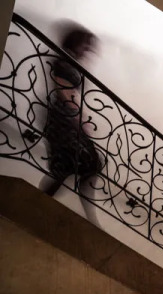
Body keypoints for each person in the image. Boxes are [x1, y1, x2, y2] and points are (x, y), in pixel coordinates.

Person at [38, 23, 102, 225]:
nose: (88, 50)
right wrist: (79, 119)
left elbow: (70, 94)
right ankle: (40, 201)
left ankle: (42, 201)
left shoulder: (70, 61)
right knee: (79, 163)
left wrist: (80, 117)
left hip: (65, 118)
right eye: (87, 45)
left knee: (80, 164)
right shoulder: (64, 60)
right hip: (61, 119)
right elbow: (65, 93)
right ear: (76, 42)